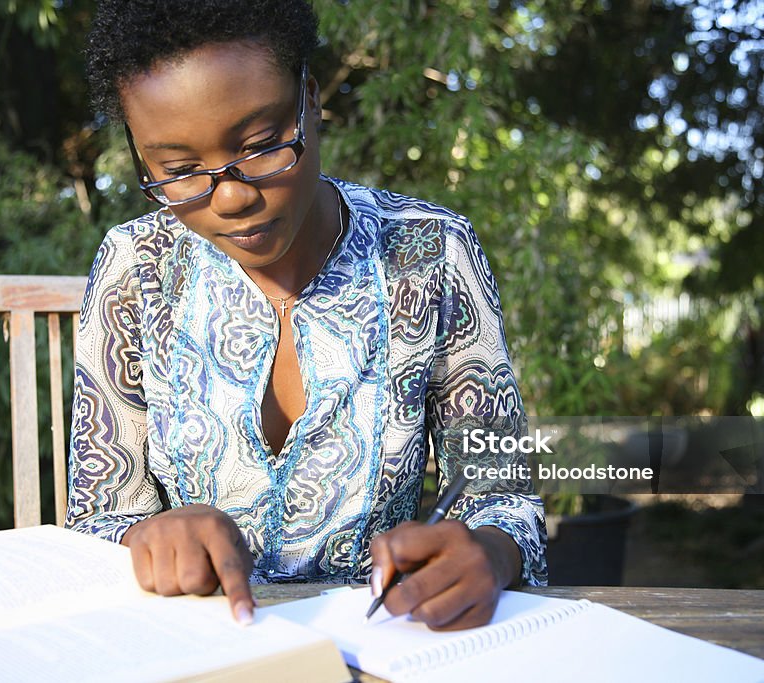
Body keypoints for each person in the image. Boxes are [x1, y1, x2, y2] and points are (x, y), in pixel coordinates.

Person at [68, 0, 547, 631]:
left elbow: (503, 497)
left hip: (382, 640)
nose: (234, 197)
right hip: (194, 644)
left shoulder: (431, 254)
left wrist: (486, 552)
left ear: (310, 99)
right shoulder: (136, 268)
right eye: (179, 171)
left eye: (264, 144)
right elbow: (99, 520)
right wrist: (150, 536)